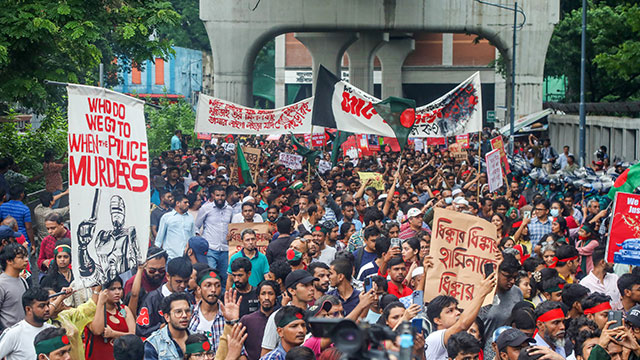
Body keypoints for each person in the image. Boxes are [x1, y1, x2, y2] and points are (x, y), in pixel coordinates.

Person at [425, 272, 496, 360]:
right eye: (450, 311)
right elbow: (463, 324)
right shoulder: (434, 339)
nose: (458, 313)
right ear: (437, 320)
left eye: (457, 309)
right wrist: (482, 292)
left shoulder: (459, 339)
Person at [261, 270, 315, 356]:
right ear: (292, 291)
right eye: (305, 285)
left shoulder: (316, 314)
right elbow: (266, 352)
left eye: (312, 284)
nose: (312, 288)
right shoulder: (277, 316)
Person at [136, 257, 193, 338]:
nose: (183, 285)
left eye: (186, 281)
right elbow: (140, 330)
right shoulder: (152, 299)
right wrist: (159, 328)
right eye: (178, 281)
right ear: (168, 276)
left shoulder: (190, 298)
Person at [481, 255, 524, 357]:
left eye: (515, 277)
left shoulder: (517, 292)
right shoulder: (483, 292)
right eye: (508, 277)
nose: (512, 281)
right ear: (496, 272)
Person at [85, 277, 135, 359]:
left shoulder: (124, 310)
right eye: (112, 289)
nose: (117, 292)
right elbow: (97, 330)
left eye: (119, 288)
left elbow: (133, 336)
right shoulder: (91, 310)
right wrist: (101, 302)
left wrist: (113, 334)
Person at [196, 185, 234, 287]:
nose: (220, 198)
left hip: (225, 249)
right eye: (217, 195)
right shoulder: (205, 208)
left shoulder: (230, 210)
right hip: (210, 248)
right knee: (211, 275)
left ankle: (222, 300)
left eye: (222, 195)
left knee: (225, 278)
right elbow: (196, 227)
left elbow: (232, 227)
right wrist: (201, 241)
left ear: (225, 196)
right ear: (213, 196)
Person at [0, 287, 54, 359]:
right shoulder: (13, 334)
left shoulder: (53, 330)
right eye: (42, 306)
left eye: (48, 304)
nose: (47, 309)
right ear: (28, 309)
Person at [144, 292, 192, 359]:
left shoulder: (198, 337)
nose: (184, 315)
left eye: (187, 311)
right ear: (167, 317)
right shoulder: (154, 343)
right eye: (178, 312)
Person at [188, 268, 225, 353]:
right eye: (208, 285)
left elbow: (241, 352)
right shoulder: (190, 314)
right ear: (199, 289)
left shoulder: (227, 316)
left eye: (217, 285)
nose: (213, 290)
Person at [579, 245, 622, 310]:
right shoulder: (584, 284)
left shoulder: (615, 278)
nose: (613, 263)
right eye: (611, 260)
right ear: (602, 262)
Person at [155, 192, 196, 260]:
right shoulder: (166, 217)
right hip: (170, 256)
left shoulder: (190, 217)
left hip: (186, 256)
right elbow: (159, 238)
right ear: (177, 203)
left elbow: (192, 237)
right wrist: (157, 256)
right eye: (185, 202)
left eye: (188, 202)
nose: (188, 204)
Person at [0, 242, 29, 330]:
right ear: (9, 261)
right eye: (21, 257)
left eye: (26, 256)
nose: (26, 260)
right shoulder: (2, 284)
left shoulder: (22, 280)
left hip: (24, 332)